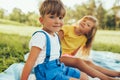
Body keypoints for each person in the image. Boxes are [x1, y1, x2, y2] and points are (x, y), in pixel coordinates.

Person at [21, 0, 89, 80]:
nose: (57, 21)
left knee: (84, 76)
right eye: (52, 17)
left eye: (60, 18)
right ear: (41, 20)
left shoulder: (55, 36)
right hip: (47, 73)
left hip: (59, 67)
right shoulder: (40, 36)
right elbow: (30, 61)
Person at [58, 15, 120, 80]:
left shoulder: (83, 39)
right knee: (78, 61)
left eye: (88, 25)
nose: (84, 23)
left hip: (65, 57)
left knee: (88, 63)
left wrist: (73, 60)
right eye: (84, 21)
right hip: (55, 56)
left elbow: (73, 54)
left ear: (89, 32)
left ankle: (117, 74)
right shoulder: (67, 28)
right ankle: (107, 79)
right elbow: (54, 42)